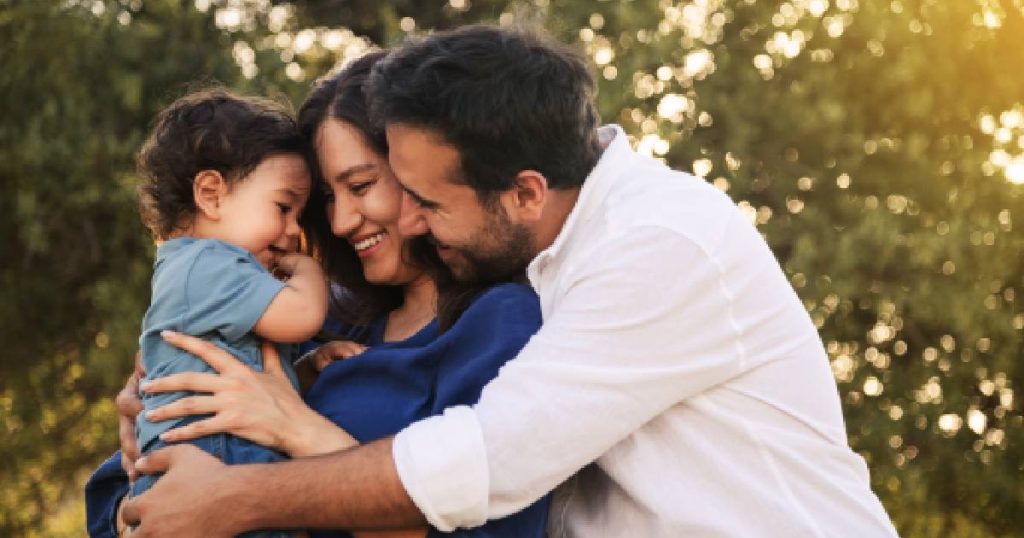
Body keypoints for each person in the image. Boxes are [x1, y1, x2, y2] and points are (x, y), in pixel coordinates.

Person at [119, 25, 899, 537]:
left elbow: (485, 463)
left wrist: (236, 496)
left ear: (524, 192)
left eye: (422, 199)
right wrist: (158, 388)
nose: (411, 223)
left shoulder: (657, 244)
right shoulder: (517, 263)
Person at [85, 51, 550, 538]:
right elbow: (112, 507)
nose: (340, 221)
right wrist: (143, 446)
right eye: (328, 198)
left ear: (419, 174)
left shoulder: (501, 323)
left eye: (361, 185)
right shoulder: (330, 319)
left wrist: (294, 429)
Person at [125, 88, 326, 537]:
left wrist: (309, 367)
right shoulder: (209, 262)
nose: (294, 232)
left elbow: (252, 366)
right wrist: (309, 272)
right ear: (211, 194)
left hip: (209, 456)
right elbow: (302, 316)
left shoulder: (200, 271)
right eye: (283, 207)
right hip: (215, 455)